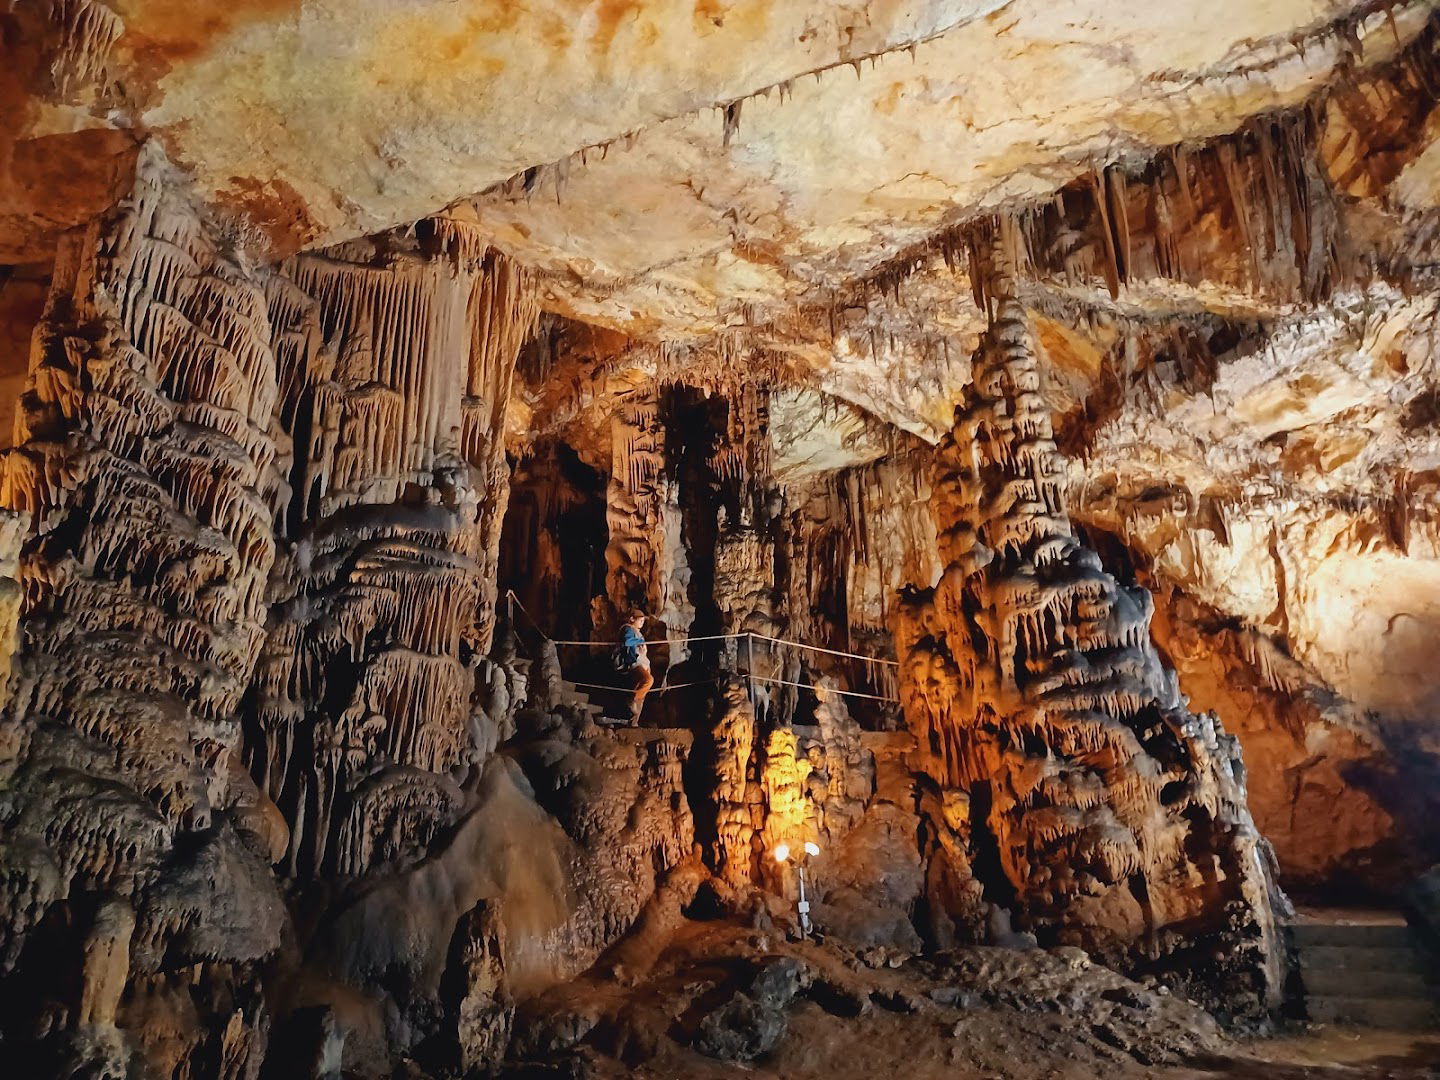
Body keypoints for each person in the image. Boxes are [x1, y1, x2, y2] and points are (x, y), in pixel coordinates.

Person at [619, 610, 653, 721]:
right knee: (648, 680)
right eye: (640, 620)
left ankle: (634, 722)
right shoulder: (628, 628)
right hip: (635, 663)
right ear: (632, 619)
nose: (642, 622)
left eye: (643, 620)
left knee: (642, 695)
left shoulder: (638, 633)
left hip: (644, 663)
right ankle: (631, 698)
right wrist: (640, 641)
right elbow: (627, 642)